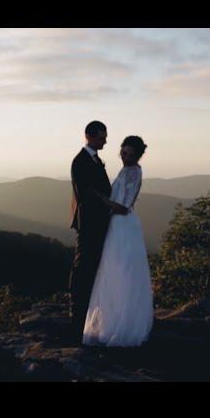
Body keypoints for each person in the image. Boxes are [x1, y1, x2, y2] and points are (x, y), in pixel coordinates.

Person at [82, 135, 154, 347]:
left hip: (124, 226)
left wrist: (98, 197)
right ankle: (112, 320)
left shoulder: (135, 172)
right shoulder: (126, 170)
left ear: (138, 155)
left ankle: (122, 324)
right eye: (123, 153)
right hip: (116, 226)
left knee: (121, 271)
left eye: (130, 155)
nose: (125, 157)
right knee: (113, 270)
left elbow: (124, 207)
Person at [68, 120, 128, 345]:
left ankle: (87, 308)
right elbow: (88, 193)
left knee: (92, 263)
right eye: (102, 137)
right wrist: (112, 205)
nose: (105, 140)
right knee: (84, 265)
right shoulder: (80, 161)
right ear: (90, 136)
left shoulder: (92, 159)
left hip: (97, 221)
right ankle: (78, 312)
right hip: (89, 222)